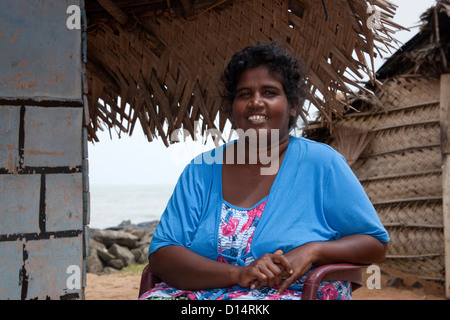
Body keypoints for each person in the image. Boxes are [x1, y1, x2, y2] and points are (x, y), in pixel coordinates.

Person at [140, 43, 389, 300]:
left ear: (292, 106)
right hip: (201, 294)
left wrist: (314, 250)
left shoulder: (322, 163)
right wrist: (239, 274)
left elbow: (374, 244)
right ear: (233, 106)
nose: (256, 102)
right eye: (245, 94)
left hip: (290, 293)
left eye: (269, 93)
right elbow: (163, 252)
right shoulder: (202, 169)